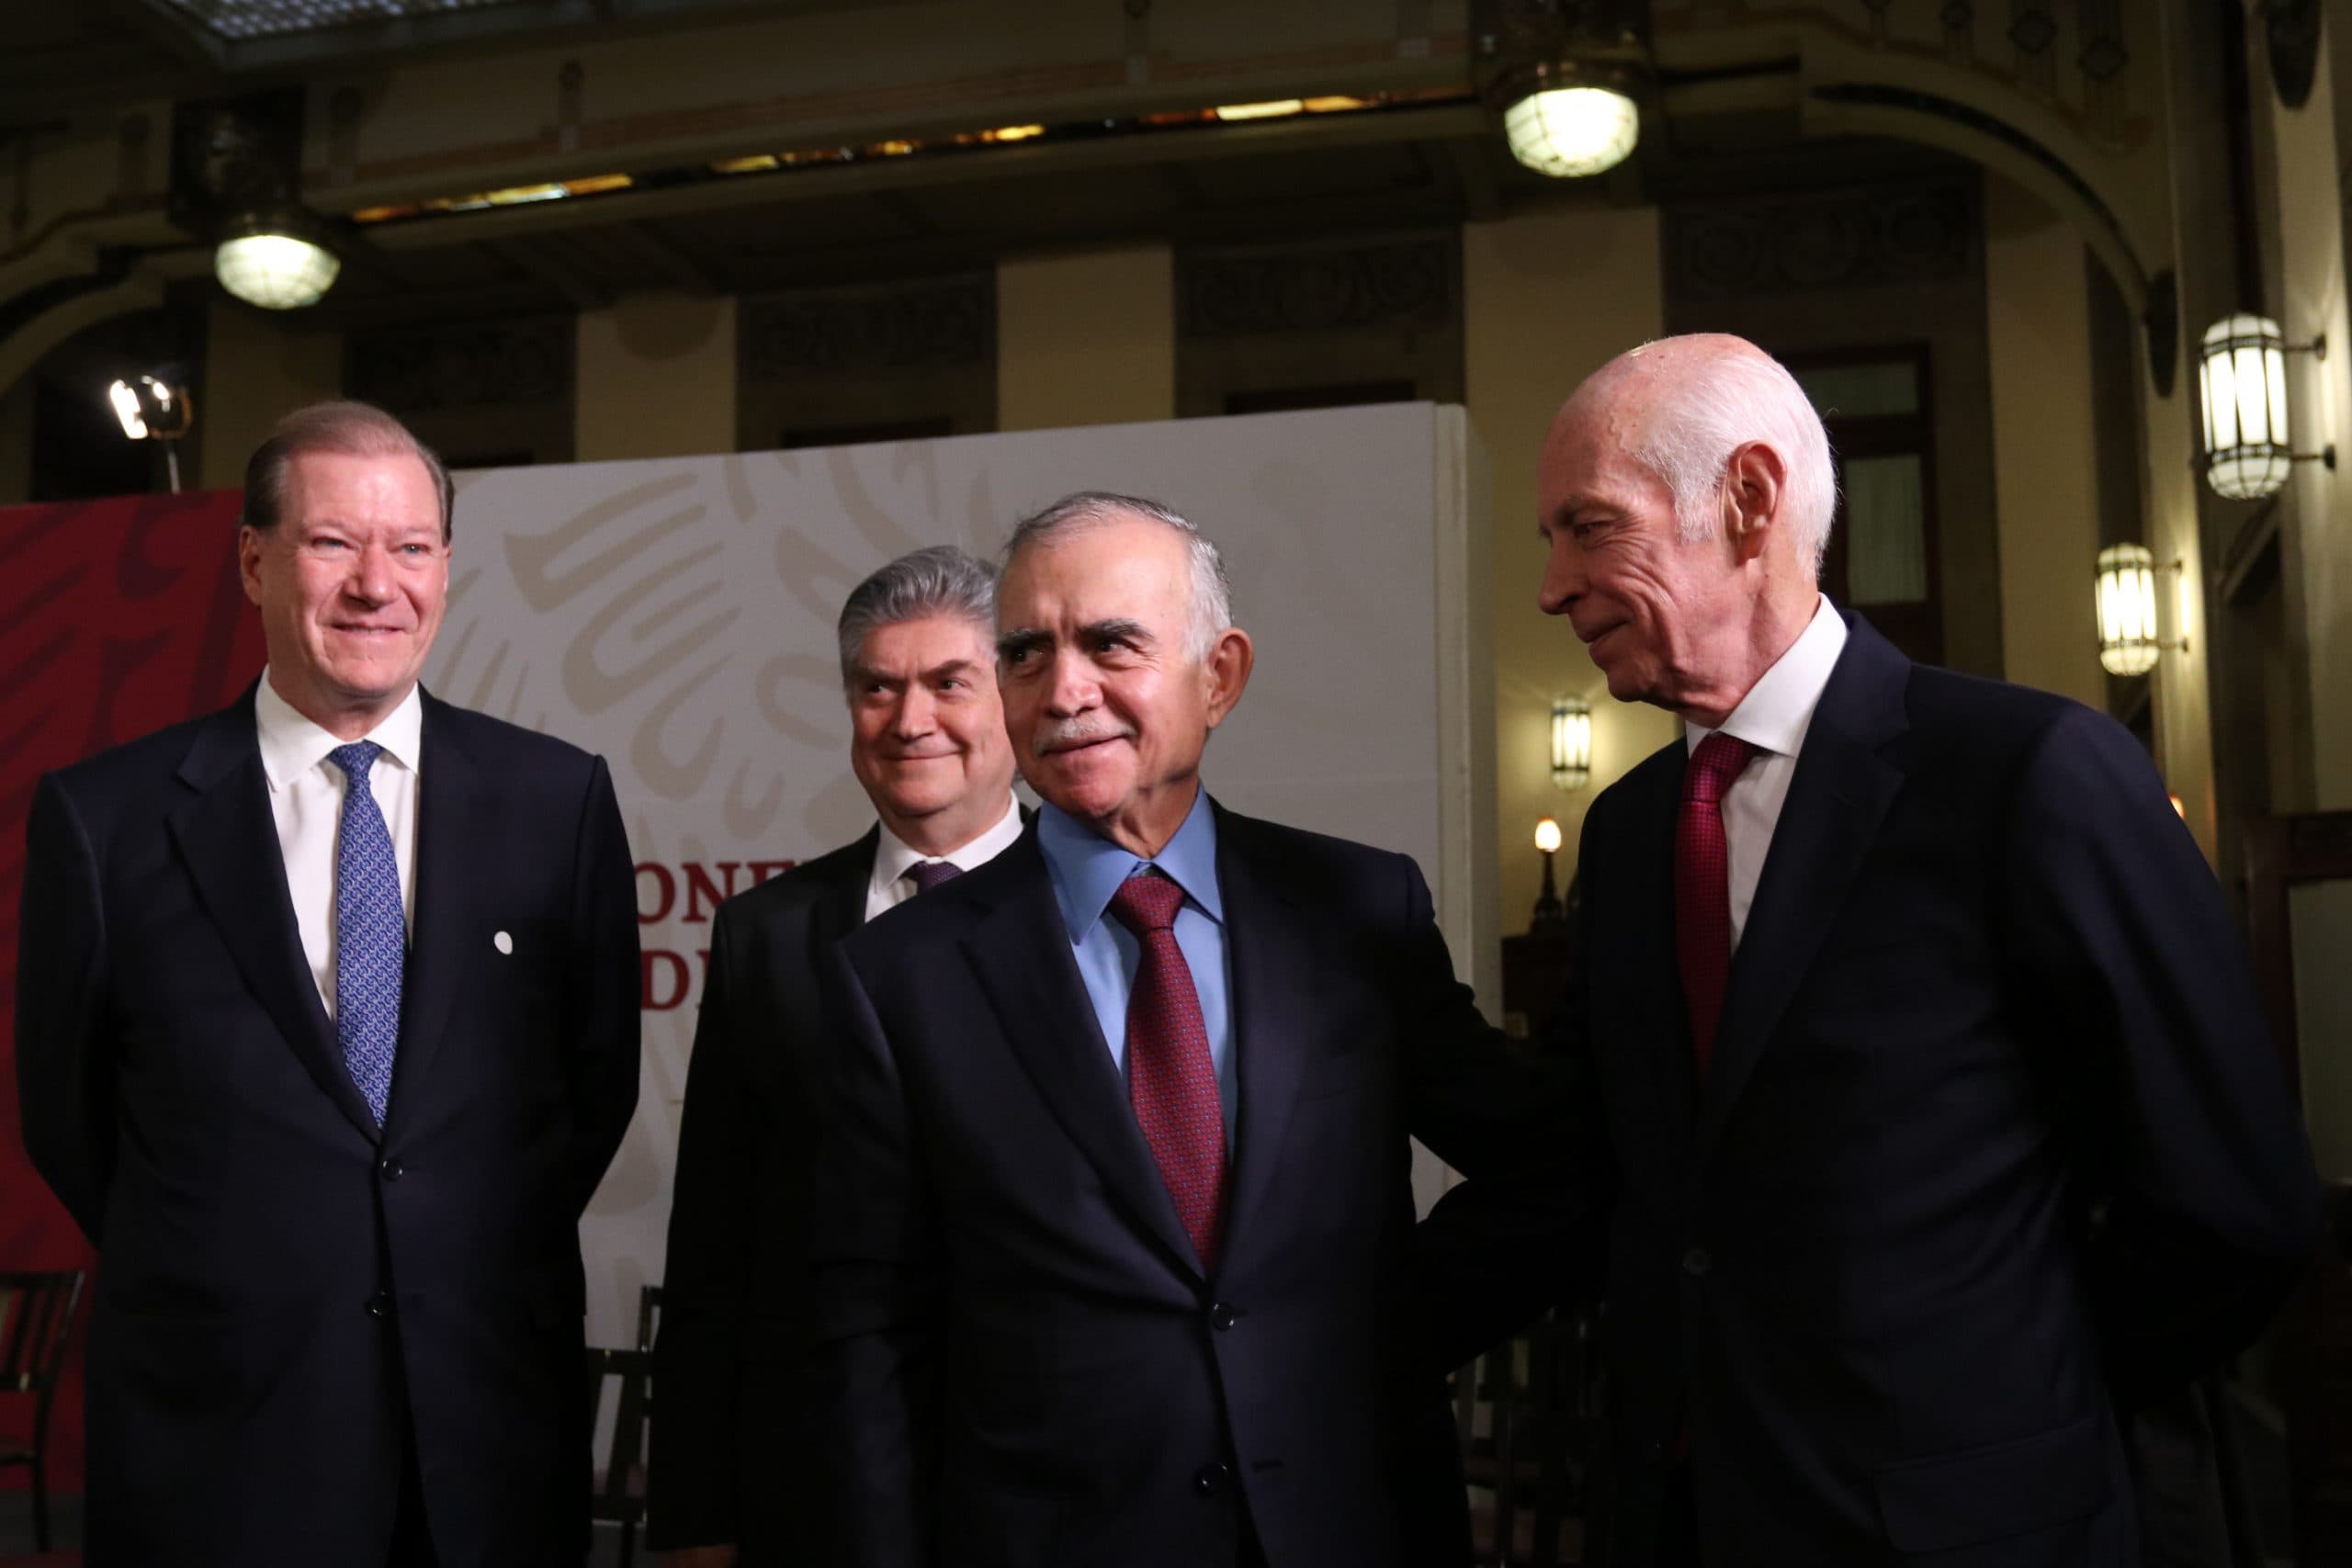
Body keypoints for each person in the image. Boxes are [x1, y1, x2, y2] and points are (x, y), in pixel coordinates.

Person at [1532, 333, 2320, 1566]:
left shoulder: (2030, 775)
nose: (1554, 585)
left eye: (1589, 527)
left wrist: (2004, 1395)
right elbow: (1592, 1165)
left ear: (1748, 499)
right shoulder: (1628, 833)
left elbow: (2233, 1206)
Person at [806, 492, 1572, 1568]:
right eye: (1026, 652)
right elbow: (864, 1339)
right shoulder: (899, 979)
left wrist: (1377, 1334)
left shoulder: (1358, 913)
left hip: (1351, 1523)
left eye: (1111, 643)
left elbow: (1543, 1164)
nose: (1065, 689)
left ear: (1220, 675)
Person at [14, 401, 641, 1568]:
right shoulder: (106, 820)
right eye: (331, 543)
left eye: (409, 547)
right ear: (252, 560)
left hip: (485, 1439)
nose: (375, 584)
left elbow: (589, 1093)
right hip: (218, 1441)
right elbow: (72, 1119)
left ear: (446, 570)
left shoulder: (557, 804)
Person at [650, 546, 1023, 1567]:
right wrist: (692, 1513)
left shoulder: (1099, 911)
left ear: (1013, 699)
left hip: (1051, 1489)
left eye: (950, 682)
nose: (910, 721)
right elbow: (715, 1244)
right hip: (811, 1491)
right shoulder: (764, 934)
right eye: (878, 689)